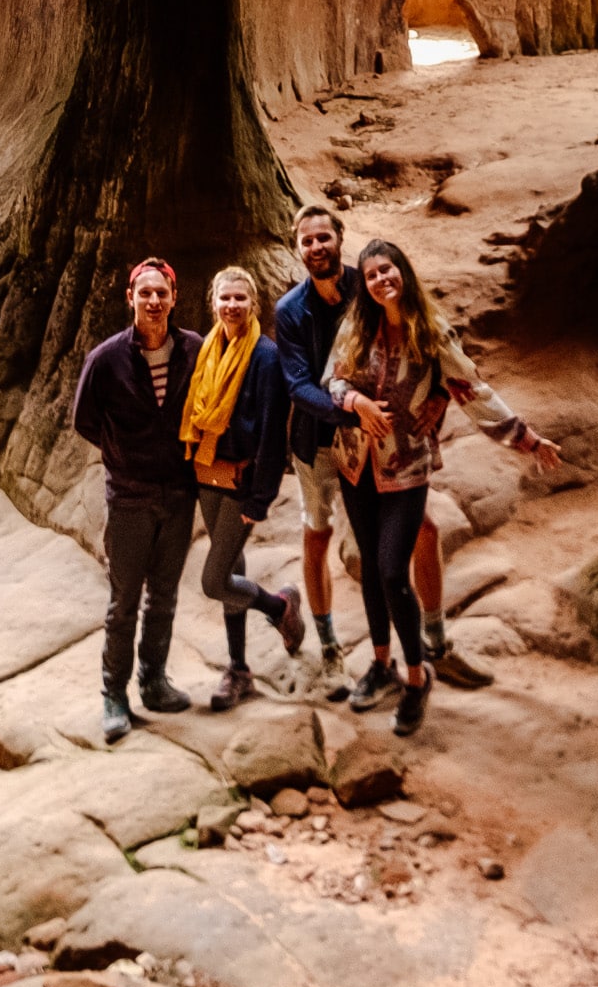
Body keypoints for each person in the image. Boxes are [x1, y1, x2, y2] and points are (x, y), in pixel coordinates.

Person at [327, 237, 561, 736]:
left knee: (392, 572)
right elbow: (333, 378)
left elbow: (474, 391)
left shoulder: (430, 332)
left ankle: (417, 677)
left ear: (403, 273)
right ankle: (381, 663)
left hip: (406, 466)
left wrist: (527, 438)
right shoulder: (356, 326)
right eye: (371, 276)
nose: (381, 281)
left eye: (388, 271)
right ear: (364, 285)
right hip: (355, 463)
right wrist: (355, 404)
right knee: (371, 569)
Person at [275, 205, 490, 698]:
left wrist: (438, 395)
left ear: (339, 238)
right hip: (321, 442)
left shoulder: (369, 283)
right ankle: (331, 649)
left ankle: (434, 642)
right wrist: (355, 410)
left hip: (381, 442)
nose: (317, 247)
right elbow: (298, 384)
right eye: (307, 241)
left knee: (423, 530)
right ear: (299, 248)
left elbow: (431, 340)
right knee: (317, 533)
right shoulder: (290, 310)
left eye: (323, 237)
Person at [73, 257, 201, 743]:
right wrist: (122, 454)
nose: (153, 301)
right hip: (129, 497)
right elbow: (84, 419)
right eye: (144, 293)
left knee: (164, 596)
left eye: (161, 293)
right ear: (130, 298)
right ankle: (114, 695)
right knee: (124, 600)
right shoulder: (105, 359)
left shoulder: (194, 349)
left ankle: (154, 681)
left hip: (179, 493)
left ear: (173, 297)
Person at [181, 266, 304, 710]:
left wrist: (261, 497)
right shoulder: (208, 348)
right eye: (225, 298)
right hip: (206, 472)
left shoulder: (266, 357)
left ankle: (279, 607)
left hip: (241, 481)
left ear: (254, 304)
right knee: (233, 566)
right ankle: (239, 669)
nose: (232, 306)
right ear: (213, 302)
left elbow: (274, 432)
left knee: (215, 581)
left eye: (240, 299)